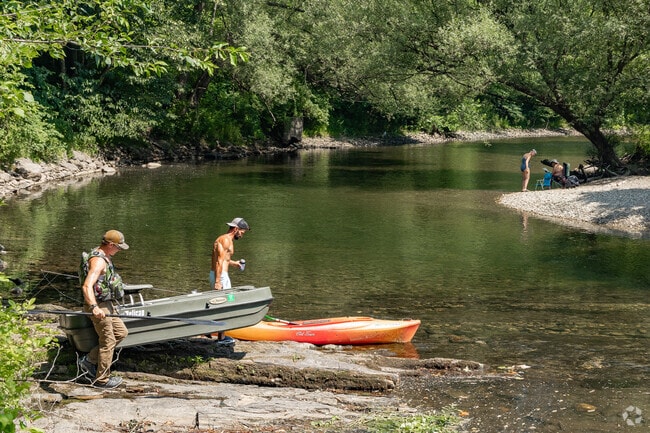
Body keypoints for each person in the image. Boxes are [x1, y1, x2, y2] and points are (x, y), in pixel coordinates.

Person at [79, 230, 129, 388]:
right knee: (108, 341)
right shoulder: (98, 261)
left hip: (108, 304)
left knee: (122, 333)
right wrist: (94, 307)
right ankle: (102, 380)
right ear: (110, 245)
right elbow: (87, 286)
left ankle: (88, 360)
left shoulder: (104, 255)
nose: (119, 250)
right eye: (118, 247)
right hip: (99, 305)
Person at [210, 217, 250, 344]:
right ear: (236, 229)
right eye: (242, 232)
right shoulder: (226, 240)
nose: (242, 235)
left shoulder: (224, 239)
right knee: (226, 304)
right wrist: (218, 281)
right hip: (221, 275)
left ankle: (212, 331)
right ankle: (221, 338)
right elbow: (219, 261)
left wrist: (235, 263)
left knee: (221, 304)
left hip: (219, 274)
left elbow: (225, 259)